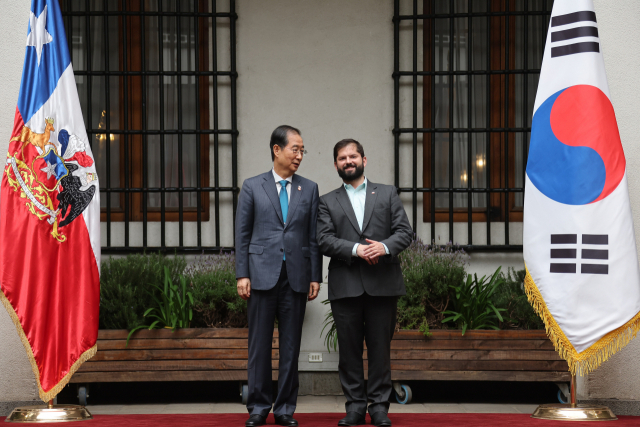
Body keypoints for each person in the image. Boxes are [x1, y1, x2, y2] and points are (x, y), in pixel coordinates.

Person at [316, 139, 412, 427]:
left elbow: (404, 232)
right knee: (349, 351)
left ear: (364, 160)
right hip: (346, 286)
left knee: (380, 349)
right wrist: (357, 250)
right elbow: (323, 240)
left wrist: (382, 247)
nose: (348, 161)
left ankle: (380, 407)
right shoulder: (326, 201)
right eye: (342, 158)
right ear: (336, 164)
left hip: (383, 284)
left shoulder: (387, 193)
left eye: (353, 156)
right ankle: (355, 406)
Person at [235, 125, 322, 427]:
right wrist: (241, 274)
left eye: (302, 150)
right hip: (260, 275)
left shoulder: (308, 188)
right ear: (276, 149)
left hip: (296, 276)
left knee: (290, 346)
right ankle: (258, 407)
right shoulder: (252, 186)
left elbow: (313, 236)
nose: (299, 155)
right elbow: (242, 235)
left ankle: (285, 409)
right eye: (295, 149)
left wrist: (315, 276)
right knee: (259, 345)